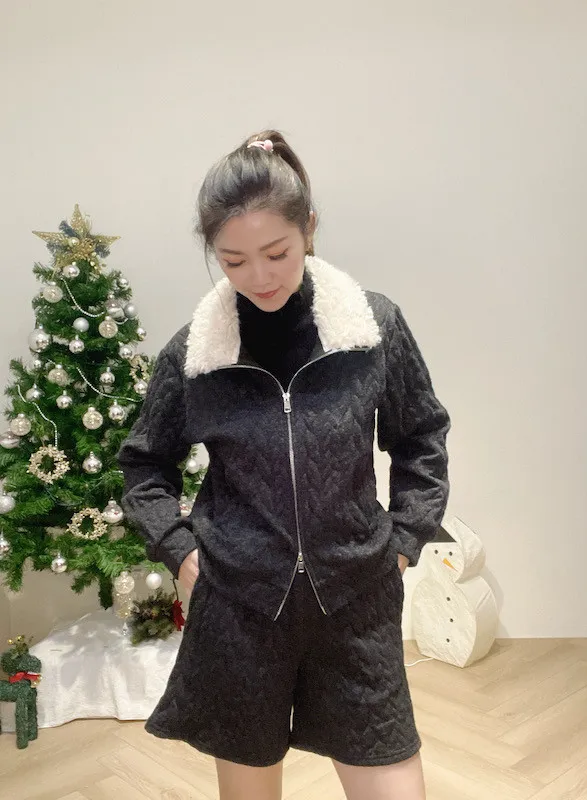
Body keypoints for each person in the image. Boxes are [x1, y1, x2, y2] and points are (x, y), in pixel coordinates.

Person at [117, 129, 451, 800]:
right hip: (240, 611)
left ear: (309, 229)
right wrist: (183, 555)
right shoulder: (196, 354)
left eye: (277, 253)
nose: (260, 277)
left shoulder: (371, 329)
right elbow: (143, 466)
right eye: (233, 260)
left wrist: (404, 542)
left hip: (355, 602)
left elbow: (421, 438)